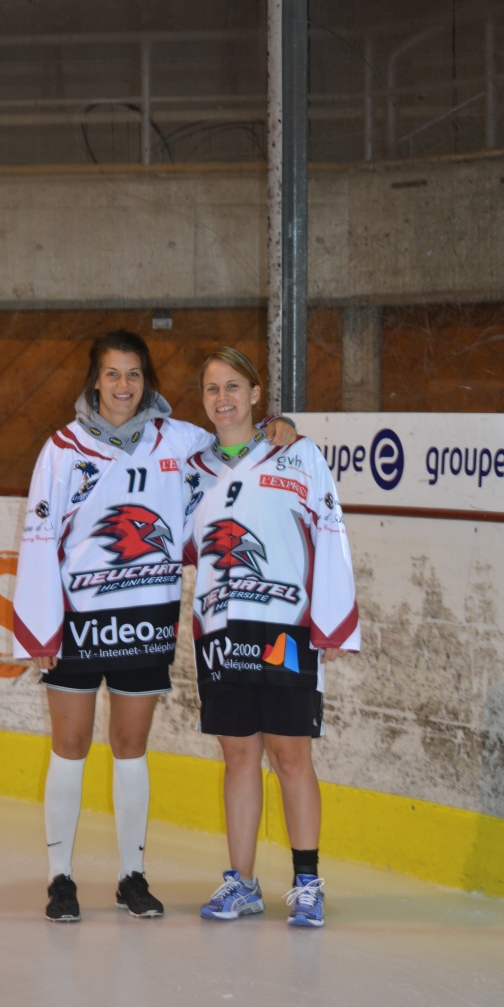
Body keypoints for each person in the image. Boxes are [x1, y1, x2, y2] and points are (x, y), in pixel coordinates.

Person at [12, 330, 296, 923]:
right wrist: (39, 629)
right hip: (79, 623)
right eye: (113, 375)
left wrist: (282, 430)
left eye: (134, 374)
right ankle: (60, 878)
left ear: (148, 381)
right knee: (69, 747)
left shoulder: (183, 441)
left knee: (130, 748)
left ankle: (130, 877)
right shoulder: (62, 449)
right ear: (95, 381)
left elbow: (240, 451)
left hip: (146, 619)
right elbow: (38, 539)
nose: (123, 386)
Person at [183, 347, 360, 928]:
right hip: (220, 629)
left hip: (285, 627)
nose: (222, 399)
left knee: (290, 754)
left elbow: (331, 533)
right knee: (238, 757)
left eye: (233, 386)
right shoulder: (193, 467)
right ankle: (242, 882)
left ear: (257, 394)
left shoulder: (296, 452)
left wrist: (333, 619)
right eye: (211, 389)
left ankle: (307, 882)